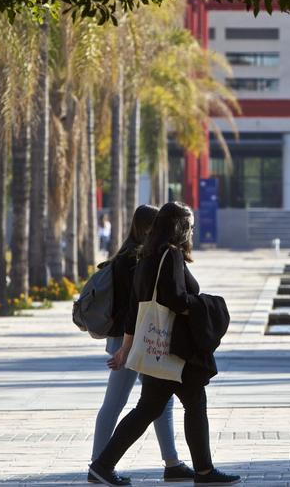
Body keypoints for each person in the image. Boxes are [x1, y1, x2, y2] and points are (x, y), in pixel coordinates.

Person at [89, 202, 239, 486]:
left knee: (168, 405)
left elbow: (136, 309)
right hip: (174, 347)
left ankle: (105, 465)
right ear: (180, 228)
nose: (193, 232)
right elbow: (174, 299)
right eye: (191, 226)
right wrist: (207, 303)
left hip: (159, 347)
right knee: (174, 406)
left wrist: (126, 348)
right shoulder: (170, 256)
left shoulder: (147, 256)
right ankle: (104, 465)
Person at [88, 205, 193, 485]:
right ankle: (99, 464)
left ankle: (171, 461)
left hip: (132, 338)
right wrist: (126, 346)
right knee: (122, 402)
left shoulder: (128, 256)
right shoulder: (137, 259)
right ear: (149, 227)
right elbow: (134, 307)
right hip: (134, 339)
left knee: (156, 400)